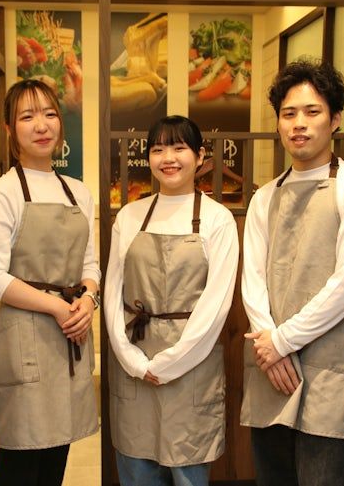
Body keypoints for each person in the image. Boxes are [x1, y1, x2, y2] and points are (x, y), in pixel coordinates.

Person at [240, 59, 344, 486]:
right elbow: (252, 279)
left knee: (324, 473)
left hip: (328, 357)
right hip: (272, 359)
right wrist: (269, 344)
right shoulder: (265, 197)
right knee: (273, 472)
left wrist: (281, 342)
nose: (299, 123)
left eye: (312, 111)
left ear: (335, 119)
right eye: (288, 113)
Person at [0, 79, 100, 486]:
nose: (41, 125)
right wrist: (58, 306)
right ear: (10, 129)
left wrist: (88, 300)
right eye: (27, 116)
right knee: (21, 460)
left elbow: (90, 263)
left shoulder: (78, 192)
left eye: (49, 114)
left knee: (56, 454)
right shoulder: (2, 194)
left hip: (69, 336)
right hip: (25, 335)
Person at [104, 115, 239, 486]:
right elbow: (113, 292)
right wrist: (132, 360)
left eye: (179, 148)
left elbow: (216, 305)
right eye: (158, 149)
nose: (168, 158)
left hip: (191, 365)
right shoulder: (129, 216)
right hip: (134, 361)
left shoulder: (218, 219)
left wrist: (170, 363)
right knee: (136, 471)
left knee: (188, 474)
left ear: (200, 156)